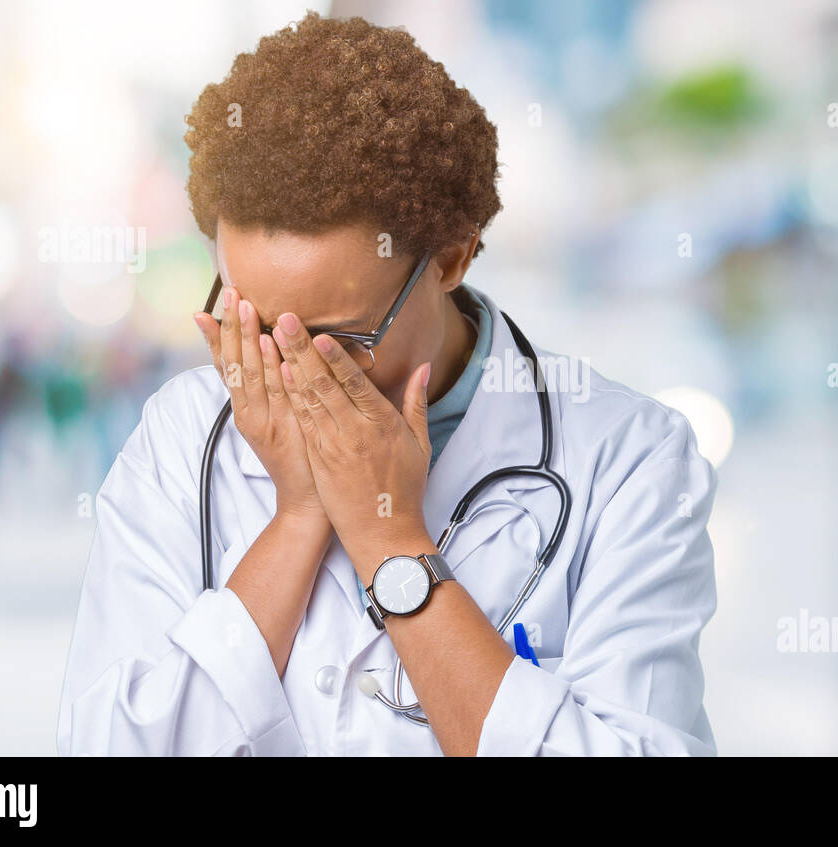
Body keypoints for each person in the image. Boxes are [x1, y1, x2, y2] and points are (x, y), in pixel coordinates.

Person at [56, 13, 718, 756]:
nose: (284, 363)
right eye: (250, 318)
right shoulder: (182, 441)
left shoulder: (628, 459)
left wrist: (389, 540)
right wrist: (300, 515)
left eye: (336, 337)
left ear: (450, 258)